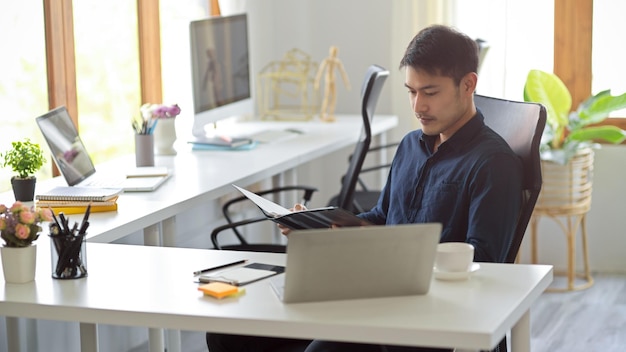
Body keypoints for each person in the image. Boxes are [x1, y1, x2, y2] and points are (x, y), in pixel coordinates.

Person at [206, 24, 523, 352]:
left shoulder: (493, 163)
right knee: (228, 333)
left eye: (430, 93)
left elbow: (486, 264)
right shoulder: (410, 146)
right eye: (411, 92)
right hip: (373, 296)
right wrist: (321, 226)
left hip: (424, 321)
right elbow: (383, 217)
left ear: (468, 84)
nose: (417, 106)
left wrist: (400, 259)